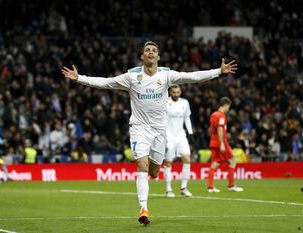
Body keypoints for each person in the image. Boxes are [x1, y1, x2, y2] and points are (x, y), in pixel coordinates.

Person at [61, 41, 237, 225]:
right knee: (142, 166)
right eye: (147, 50)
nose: (151, 52)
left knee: (154, 171)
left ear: (158, 57)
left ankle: (154, 173)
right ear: (142, 57)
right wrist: (80, 77)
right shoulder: (131, 76)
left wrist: (218, 71)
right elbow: (107, 82)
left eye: (154, 50)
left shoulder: (167, 75)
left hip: (160, 130)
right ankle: (143, 208)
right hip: (139, 128)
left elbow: (192, 77)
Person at [207, 97, 243, 192]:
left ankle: (210, 187)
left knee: (215, 163)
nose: (228, 109)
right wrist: (222, 143)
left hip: (213, 141)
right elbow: (219, 128)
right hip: (220, 142)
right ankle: (231, 185)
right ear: (225, 105)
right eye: (228, 107)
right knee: (233, 161)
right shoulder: (221, 116)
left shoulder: (213, 114)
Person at [164, 85, 194, 198]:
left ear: (180, 92)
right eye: (174, 92)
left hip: (181, 135)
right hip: (168, 135)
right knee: (168, 162)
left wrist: (190, 133)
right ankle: (168, 189)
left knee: (187, 159)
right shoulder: (165, 102)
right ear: (170, 92)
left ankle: (184, 187)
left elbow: (187, 118)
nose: (176, 94)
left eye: (177, 92)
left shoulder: (185, 103)